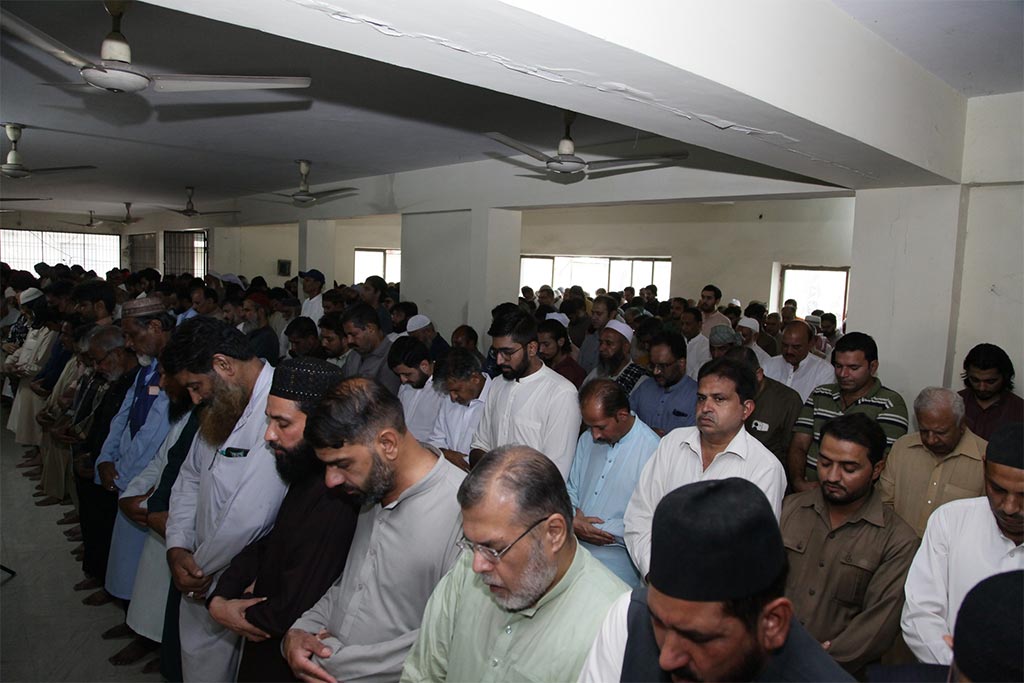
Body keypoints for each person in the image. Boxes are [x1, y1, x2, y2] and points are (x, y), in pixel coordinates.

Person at [579, 479, 853, 682]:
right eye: (659, 624)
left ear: (772, 623)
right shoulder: (630, 618)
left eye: (697, 637)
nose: (667, 658)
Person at [283, 378, 465, 683]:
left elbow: (445, 640)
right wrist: (301, 630)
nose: (331, 481)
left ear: (387, 444)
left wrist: (331, 662)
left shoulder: (462, 510)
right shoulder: (372, 490)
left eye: (341, 464)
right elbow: (352, 586)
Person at [401, 445, 627, 683]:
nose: (478, 565)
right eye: (472, 544)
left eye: (495, 549)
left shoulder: (613, 625)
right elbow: (422, 673)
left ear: (554, 533)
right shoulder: (469, 567)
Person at [207, 358, 359, 682]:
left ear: (323, 425)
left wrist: (229, 606)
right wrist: (222, 594)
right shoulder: (305, 470)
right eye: (268, 420)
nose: (269, 435)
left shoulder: (337, 495)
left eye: (282, 423)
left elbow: (292, 607)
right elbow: (272, 542)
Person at [163, 317, 290, 682]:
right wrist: (177, 547)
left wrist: (195, 570)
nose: (195, 397)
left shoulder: (278, 407)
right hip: (199, 570)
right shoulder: (222, 405)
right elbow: (190, 478)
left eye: (196, 385)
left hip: (239, 579)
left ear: (223, 365)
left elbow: (251, 518)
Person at [780, 414, 919, 676]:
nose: (832, 476)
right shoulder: (790, 509)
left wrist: (816, 661)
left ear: (876, 469)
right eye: (824, 463)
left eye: (849, 468)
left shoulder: (898, 540)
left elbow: (877, 624)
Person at [624, 358, 786, 578]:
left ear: (746, 409)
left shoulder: (764, 468)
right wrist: (655, 572)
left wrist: (694, 592)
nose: (706, 408)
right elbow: (640, 516)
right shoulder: (673, 443)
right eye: (701, 398)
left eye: (719, 399)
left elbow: (752, 553)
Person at [901, 422, 1024, 665]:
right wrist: (962, 669)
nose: (1009, 507)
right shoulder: (950, 520)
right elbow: (920, 614)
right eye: (998, 489)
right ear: (984, 465)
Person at [95, 297, 173, 607]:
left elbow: (157, 430)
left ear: (155, 327)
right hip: (127, 473)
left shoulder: (174, 365)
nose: (128, 344)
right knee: (127, 564)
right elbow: (125, 414)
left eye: (132, 335)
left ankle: (144, 637)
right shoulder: (147, 365)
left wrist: (122, 473)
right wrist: (105, 458)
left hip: (148, 478)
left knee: (151, 575)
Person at [788, 332, 909, 491]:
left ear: (872, 367)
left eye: (853, 368)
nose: (843, 374)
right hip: (809, 491)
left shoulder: (890, 403)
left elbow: (885, 462)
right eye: (838, 366)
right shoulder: (820, 394)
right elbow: (799, 445)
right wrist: (798, 482)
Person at [470, 308, 580, 479]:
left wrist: (499, 478)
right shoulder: (498, 384)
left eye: (507, 353)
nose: (499, 360)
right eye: (496, 352)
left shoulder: (561, 393)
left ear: (532, 348)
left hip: (533, 503)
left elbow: (555, 471)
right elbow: (480, 444)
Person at [570, 380, 660, 586]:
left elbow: (649, 520)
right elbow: (571, 488)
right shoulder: (587, 440)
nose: (595, 435)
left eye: (601, 427)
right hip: (573, 546)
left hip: (619, 558)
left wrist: (595, 529)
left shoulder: (653, 450)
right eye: (590, 426)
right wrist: (573, 518)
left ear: (622, 415)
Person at [880, 387, 987, 537]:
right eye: (924, 431)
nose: (931, 440)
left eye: (941, 433)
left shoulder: (985, 459)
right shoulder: (903, 447)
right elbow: (884, 503)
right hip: (900, 550)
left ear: (961, 425)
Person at [723, 346, 802, 465]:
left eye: (740, 381)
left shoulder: (788, 401)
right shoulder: (721, 395)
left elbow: (792, 452)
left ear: (758, 375)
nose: (734, 387)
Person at [428, 347, 491, 470]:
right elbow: (435, 441)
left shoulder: (496, 399)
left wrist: (460, 460)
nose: (452, 397)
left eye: (456, 390)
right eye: (448, 391)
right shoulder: (449, 401)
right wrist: (448, 455)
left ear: (475, 379)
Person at [629, 331, 697, 436]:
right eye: (652, 365)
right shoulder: (645, 388)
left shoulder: (696, 396)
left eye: (662, 366)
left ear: (681, 363)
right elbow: (625, 421)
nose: (656, 371)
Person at [958, 343, 1023, 439]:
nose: (982, 388)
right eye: (975, 380)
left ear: (1005, 377)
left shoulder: (1019, 411)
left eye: (990, 382)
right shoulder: (952, 404)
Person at [387, 336, 445, 441]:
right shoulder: (406, 386)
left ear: (424, 366)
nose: (403, 380)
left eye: (407, 374)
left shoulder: (444, 389)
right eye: (399, 375)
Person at [762, 320, 836, 402]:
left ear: (811, 344)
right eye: (785, 345)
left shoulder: (824, 371)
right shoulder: (768, 365)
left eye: (796, 347)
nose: (789, 351)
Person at [340, 302, 400, 395]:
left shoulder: (391, 356)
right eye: (347, 335)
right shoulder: (353, 355)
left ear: (370, 328)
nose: (349, 341)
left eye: (353, 334)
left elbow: (385, 403)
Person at [582, 320, 650, 395]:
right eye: (601, 343)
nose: (601, 348)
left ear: (625, 347)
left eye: (609, 343)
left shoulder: (639, 378)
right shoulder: (597, 372)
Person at [537, 318, 586, 388]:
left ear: (561, 342)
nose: (541, 350)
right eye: (539, 344)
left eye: (546, 344)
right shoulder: (543, 363)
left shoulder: (574, 372)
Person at [579, 294, 616, 373]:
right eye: (593, 313)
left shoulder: (618, 343)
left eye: (599, 314)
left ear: (612, 314)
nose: (594, 317)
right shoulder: (589, 339)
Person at [242, 291, 280, 365]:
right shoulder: (254, 334)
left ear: (260, 311)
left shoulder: (267, 337)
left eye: (247, 310)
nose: (243, 315)